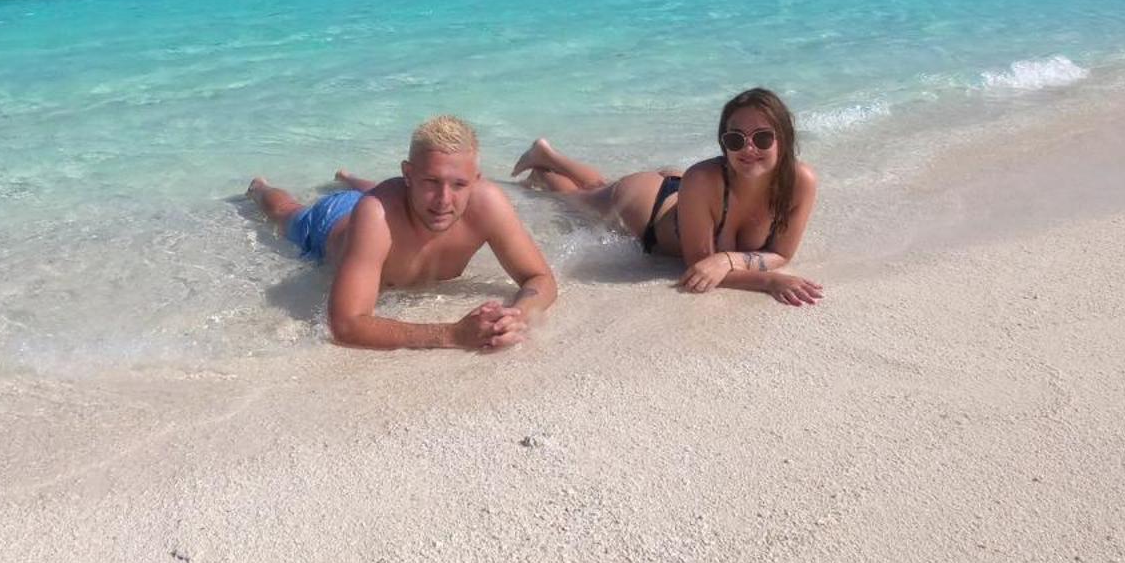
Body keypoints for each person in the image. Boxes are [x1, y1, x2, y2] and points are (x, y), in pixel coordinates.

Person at [246, 115, 558, 351]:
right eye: (431, 181)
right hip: (333, 221)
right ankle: (258, 188)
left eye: (459, 185)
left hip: (393, 200)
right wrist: (453, 334)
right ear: (408, 174)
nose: (444, 199)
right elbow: (345, 324)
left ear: (475, 180)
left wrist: (518, 314)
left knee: (400, 198)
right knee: (286, 212)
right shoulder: (376, 214)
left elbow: (540, 278)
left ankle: (349, 177)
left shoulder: (487, 203)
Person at [511, 87, 823, 306]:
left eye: (763, 137)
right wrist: (769, 281)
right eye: (735, 139)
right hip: (650, 205)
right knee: (577, 202)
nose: (749, 148)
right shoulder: (704, 177)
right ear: (723, 144)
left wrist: (726, 259)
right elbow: (700, 267)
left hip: (685, 195)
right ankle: (545, 169)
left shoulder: (800, 181)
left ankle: (547, 155)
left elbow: (781, 254)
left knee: (596, 188)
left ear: (784, 139)